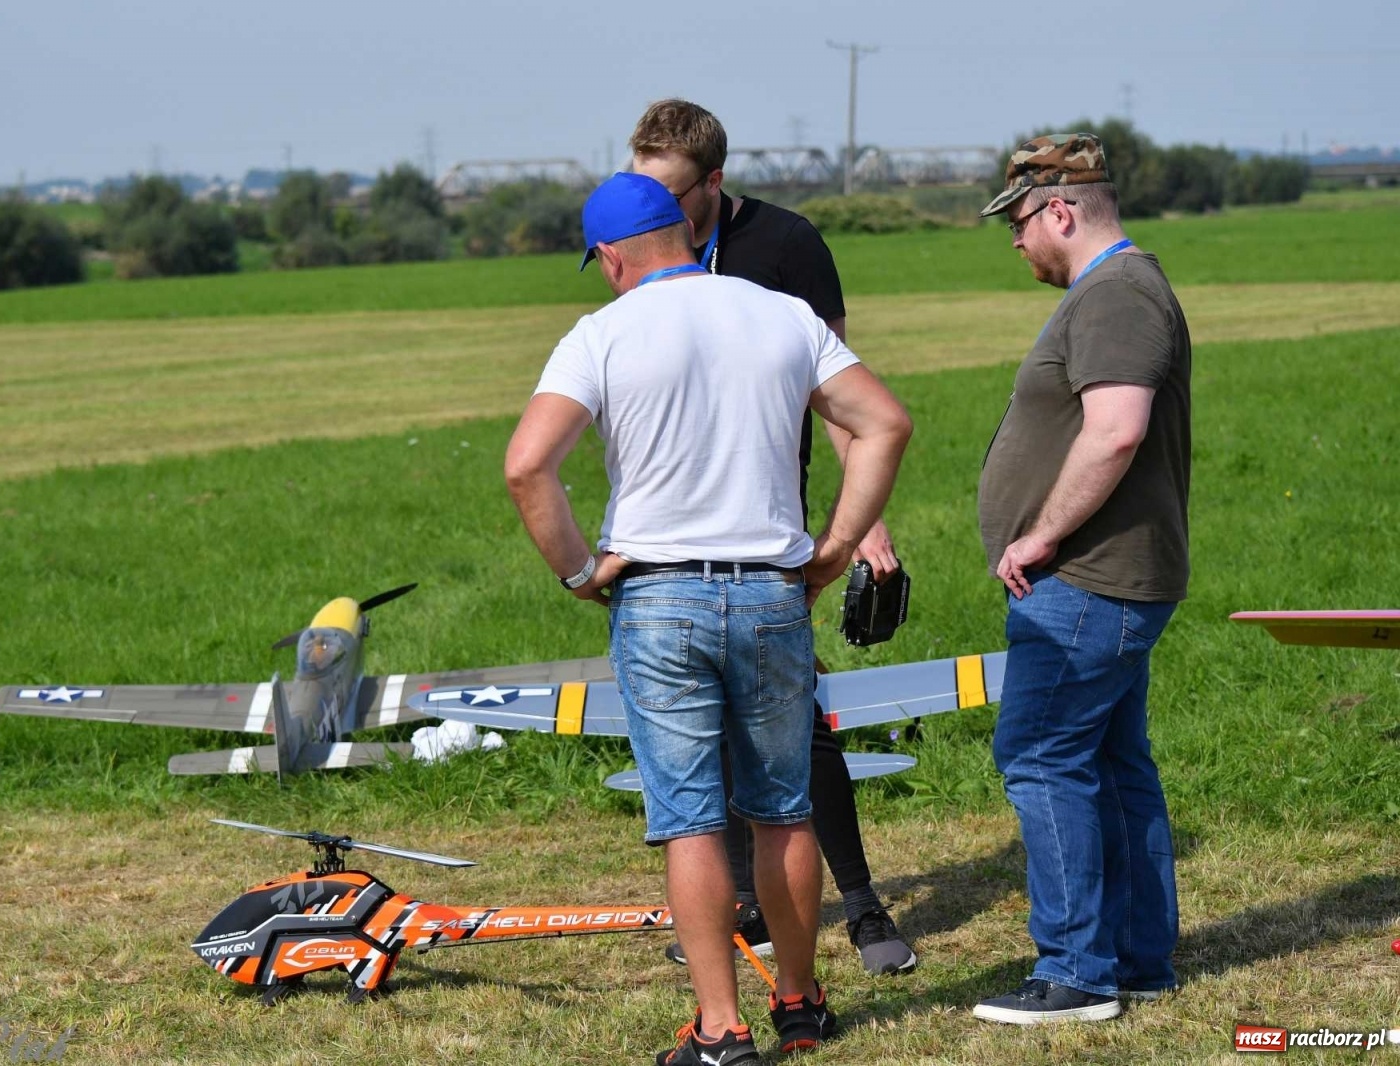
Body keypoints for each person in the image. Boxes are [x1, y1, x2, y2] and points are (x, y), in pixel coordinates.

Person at [505, 172, 912, 1064]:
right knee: (785, 811)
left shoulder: (599, 335)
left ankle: (722, 1031)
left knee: (690, 820)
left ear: (611, 255)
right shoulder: (779, 314)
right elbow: (883, 422)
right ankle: (800, 1006)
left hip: (655, 598)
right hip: (772, 591)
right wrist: (836, 546)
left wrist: (581, 572)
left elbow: (528, 465)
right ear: (684, 231)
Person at [628, 98, 917, 976]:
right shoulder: (640, 240)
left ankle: (863, 908)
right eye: (643, 194)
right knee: (708, 734)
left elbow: (844, 397)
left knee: (800, 728)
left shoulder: (787, 247)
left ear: (715, 182)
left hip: (768, 521)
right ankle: (746, 908)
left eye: (672, 196)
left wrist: (860, 525)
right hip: (673, 536)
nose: (656, 216)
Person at [971, 134, 1192, 1024]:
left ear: (1060, 210)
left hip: (1089, 580)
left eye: (1019, 222)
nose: (1016, 242)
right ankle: (1137, 959)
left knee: (1040, 756)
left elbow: (1115, 431)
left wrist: (1040, 537)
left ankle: (1075, 973)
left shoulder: (1116, 297)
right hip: (1107, 578)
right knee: (1108, 758)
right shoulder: (1118, 291)